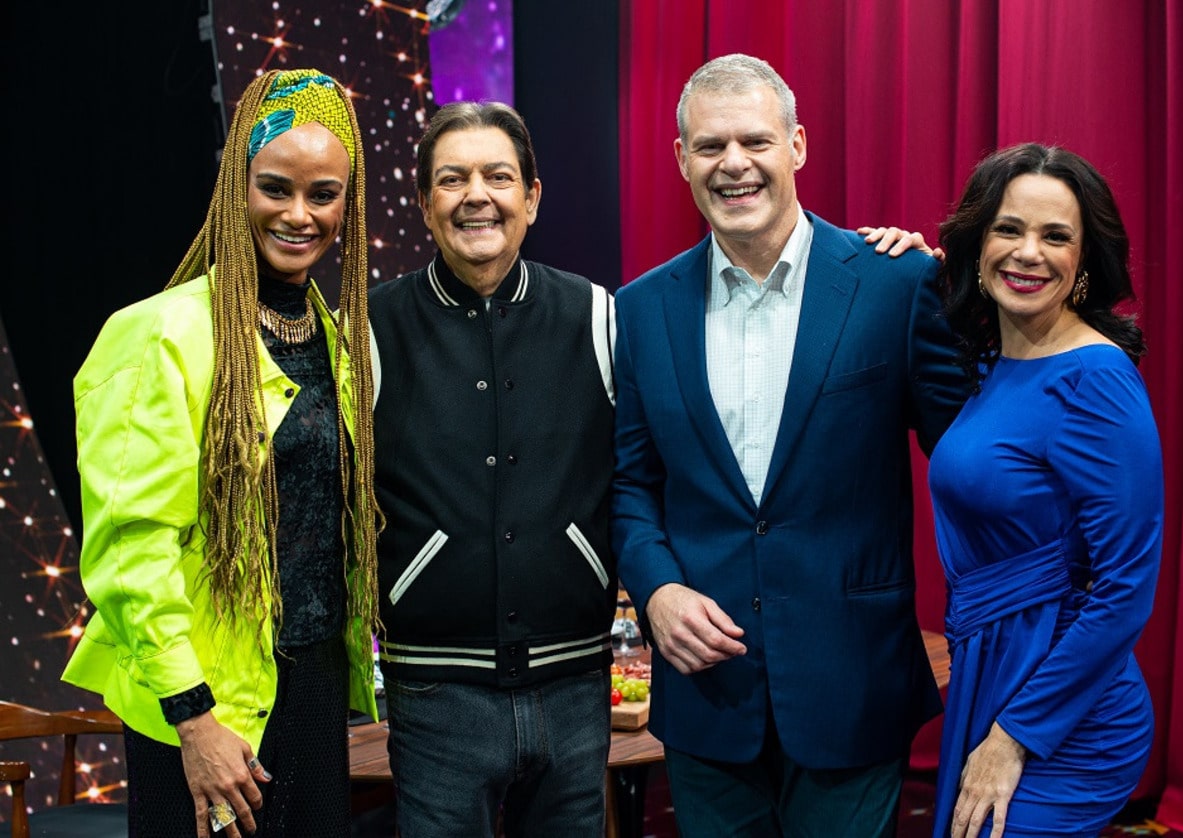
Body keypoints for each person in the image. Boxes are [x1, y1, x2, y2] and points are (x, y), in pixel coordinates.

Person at [611, 53, 971, 836]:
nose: (733, 164)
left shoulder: (896, 285)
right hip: (707, 694)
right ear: (680, 159)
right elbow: (631, 484)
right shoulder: (639, 310)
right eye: (709, 147)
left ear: (798, 146)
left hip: (853, 682)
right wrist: (657, 588)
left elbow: (971, 454)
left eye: (755, 141)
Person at [62, 68, 381, 837]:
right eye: (276, 188)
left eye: (324, 194)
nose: (300, 214)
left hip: (310, 689)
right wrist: (193, 721)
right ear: (238, 186)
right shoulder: (158, 332)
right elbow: (130, 549)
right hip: (209, 709)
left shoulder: (338, 339)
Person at [368, 101, 617, 836]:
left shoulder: (599, 315)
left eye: (498, 176)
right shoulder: (367, 327)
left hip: (577, 686)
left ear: (532, 198)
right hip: (433, 694)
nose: (476, 194)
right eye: (452, 179)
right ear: (423, 204)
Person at [928, 143, 1162, 838]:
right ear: (978, 242)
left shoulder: (1096, 379)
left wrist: (1014, 738)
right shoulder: (998, 358)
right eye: (1008, 229)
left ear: (1084, 260)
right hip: (994, 677)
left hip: (1065, 716)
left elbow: (1125, 589)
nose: (1028, 252)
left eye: (1055, 235)